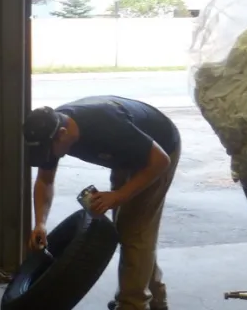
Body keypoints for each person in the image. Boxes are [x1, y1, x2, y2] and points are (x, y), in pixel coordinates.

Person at [23, 96, 181, 310]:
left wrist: (118, 196)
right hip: (125, 154)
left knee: (135, 231)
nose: (47, 157)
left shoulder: (105, 126)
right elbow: (44, 180)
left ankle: (133, 305)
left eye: (47, 152)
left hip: (159, 152)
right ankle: (157, 300)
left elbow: (160, 161)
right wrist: (40, 223)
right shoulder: (51, 132)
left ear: (62, 135)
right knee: (128, 229)